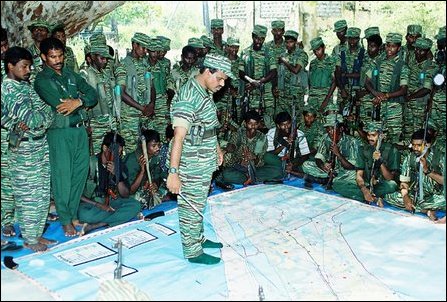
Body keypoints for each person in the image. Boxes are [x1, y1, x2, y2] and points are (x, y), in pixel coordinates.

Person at [166, 53, 237, 265]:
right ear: (208, 71)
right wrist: (173, 173)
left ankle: (198, 238)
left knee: (198, 202)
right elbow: (178, 137)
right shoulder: (189, 96)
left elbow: (207, 126)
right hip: (191, 160)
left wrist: (216, 149)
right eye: (220, 78)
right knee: (190, 205)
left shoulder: (204, 91)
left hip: (203, 157)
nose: (223, 84)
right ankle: (192, 251)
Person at [34, 37, 98, 237]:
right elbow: (61, 106)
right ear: (44, 57)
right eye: (52, 57)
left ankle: (71, 214)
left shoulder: (71, 74)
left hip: (79, 131)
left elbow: (93, 95)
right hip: (60, 134)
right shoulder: (42, 80)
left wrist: (78, 101)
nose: (57, 60)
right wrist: (80, 103)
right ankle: (64, 219)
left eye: (60, 55)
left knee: (80, 173)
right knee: (63, 177)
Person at [2, 47, 55, 251]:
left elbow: (48, 114)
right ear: (10, 66)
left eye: (29, 66)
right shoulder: (9, 89)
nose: (28, 70)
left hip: (38, 145)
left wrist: (38, 118)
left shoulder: (25, 86)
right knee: (29, 196)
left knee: (42, 193)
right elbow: (32, 119)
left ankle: (37, 234)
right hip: (24, 150)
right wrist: (37, 118)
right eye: (24, 66)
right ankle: (30, 240)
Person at [78, 132, 140, 236]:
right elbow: (77, 194)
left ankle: (97, 225)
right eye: (114, 153)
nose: (117, 156)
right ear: (105, 148)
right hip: (91, 204)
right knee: (85, 215)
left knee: (135, 206)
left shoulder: (120, 164)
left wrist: (117, 175)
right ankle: (115, 218)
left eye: (119, 153)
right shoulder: (90, 163)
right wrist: (98, 205)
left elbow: (125, 194)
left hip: (111, 202)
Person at [385, 129, 445, 220]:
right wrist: (405, 197)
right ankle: (426, 210)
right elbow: (404, 181)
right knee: (390, 197)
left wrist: (427, 171)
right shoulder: (410, 158)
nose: (415, 148)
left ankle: (423, 209)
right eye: (413, 145)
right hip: (416, 195)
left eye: (419, 145)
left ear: (427, 145)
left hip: (436, 196)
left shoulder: (439, 157)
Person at [218, 110, 283, 186]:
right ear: (245, 124)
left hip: (254, 168)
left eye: (255, 124)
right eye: (250, 124)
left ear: (259, 124)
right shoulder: (238, 134)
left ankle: (250, 177)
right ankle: (250, 178)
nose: (253, 127)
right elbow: (233, 147)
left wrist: (253, 158)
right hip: (238, 167)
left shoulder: (261, 138)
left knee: (277, 172)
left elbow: (260, 160)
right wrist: (231, 150)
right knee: (227, 174)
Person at [353, 121, 400, 205]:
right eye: (368, 135)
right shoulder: (363, 149)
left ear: (381, 136)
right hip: (366, 184)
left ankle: (370, 197)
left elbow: (390, 178)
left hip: (382, 185)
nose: (370, 138)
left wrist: (380, 161)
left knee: (392, 186)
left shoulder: (392, 150)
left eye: (373, 135)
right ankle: (373, 198)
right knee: (339, 184)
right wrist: (364, 190)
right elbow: (359, 174)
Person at [125, 128, 169, 210]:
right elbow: (130, 190)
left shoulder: (154, 157)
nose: (157, 148)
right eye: (153, 146)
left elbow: (158, 175)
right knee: (137, 201)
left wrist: (155, 184)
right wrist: (142, 171)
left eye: (158, 145)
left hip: (147, 189)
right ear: (144, 146)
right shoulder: (132, 161)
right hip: (133, 193)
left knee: (169, 185)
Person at [266, 111, 310, 178]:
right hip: (278, 160)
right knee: (267, 157)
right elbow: (270, 153)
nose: (286, 127)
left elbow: (305, 155)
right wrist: (285, 144)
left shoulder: (299, 134)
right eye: (283, 125)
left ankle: (286, 171)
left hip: (294, 161)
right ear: (278, 125)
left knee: (308, 164)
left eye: (288, 123)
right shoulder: (272, 133)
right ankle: (285, 170)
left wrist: (293, 164)